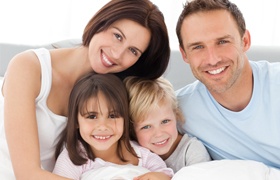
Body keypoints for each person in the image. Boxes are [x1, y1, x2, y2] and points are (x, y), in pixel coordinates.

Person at [0, 0, 171, 179]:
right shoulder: (28, 67)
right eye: (118, 36)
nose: (117, 53)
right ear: (101, 21)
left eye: (133, 51)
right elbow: (27, 174)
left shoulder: (114, 91)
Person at [175, 0, 280, 169]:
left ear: (245, 41)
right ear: (184, 54)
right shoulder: (178, 110)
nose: (213, 59)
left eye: (222, 42)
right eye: (198, 47)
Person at [53, 72, 174, 180]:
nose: (103, 126)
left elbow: (165, 173)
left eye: (112, 116)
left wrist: (158, 176)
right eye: (92, 116)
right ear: (75, 121)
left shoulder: (141, 154)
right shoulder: (73, 158)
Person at [124, 76, 211, 173]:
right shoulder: (135, 154)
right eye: (146, 127)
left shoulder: (192, 151)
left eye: (165, 121)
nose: (159, 134)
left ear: (176, 115)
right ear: (131, 130)